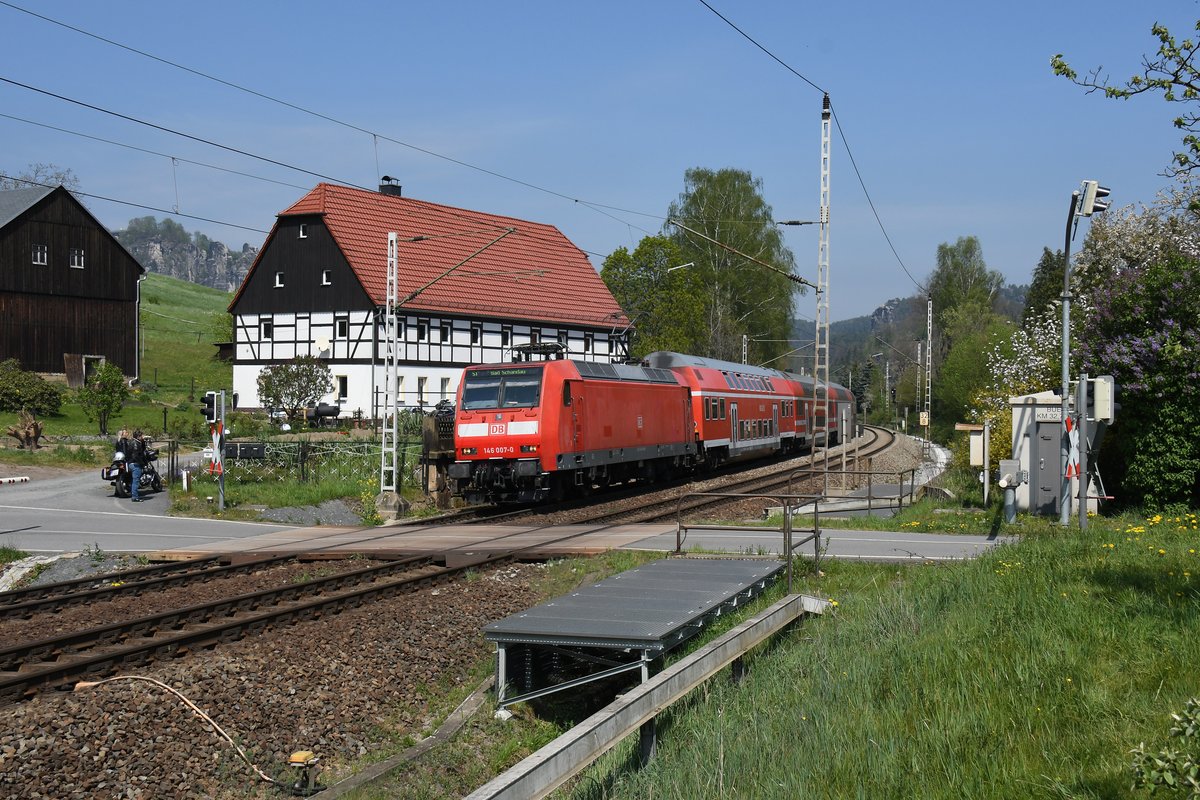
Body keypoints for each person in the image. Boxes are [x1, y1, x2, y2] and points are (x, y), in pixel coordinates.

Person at [128, 429, 146, 503]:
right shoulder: (136, 444)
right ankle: (135, 497)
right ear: (138, 436)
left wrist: (143, 442)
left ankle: (134, 495)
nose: (143, 437)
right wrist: (142, 463)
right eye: (141, 435)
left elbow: (143, 449)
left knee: (134, 480)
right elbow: (136, 456)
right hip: (135, 464)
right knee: (136, 481)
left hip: (131, 463)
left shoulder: (134, 442)